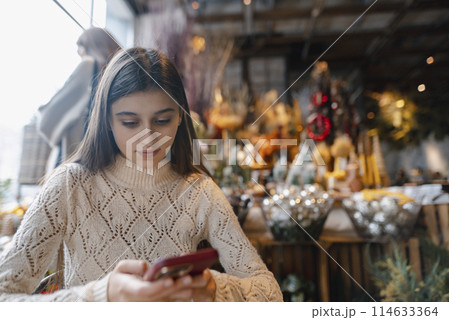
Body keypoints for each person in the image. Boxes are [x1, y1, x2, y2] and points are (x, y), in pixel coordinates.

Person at [0, 48, 283, 301]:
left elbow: (269, 294)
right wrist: (102, 294)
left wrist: (214, 288)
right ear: (107, 120)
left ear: (181, 116)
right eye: (130, 122)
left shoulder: (199, 192)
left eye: (162, 120)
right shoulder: (69, 186)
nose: (148, 138)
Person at [37, 27, 120, 175]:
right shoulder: (120, 71)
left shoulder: (88, 65)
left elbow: (49, 119)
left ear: (91, 46)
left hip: (81, 158)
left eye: (80, 46)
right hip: (112, 161)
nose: (78, 52)